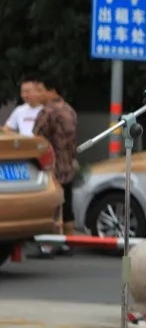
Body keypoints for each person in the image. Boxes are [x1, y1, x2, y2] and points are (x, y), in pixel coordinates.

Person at [33, 77, 79, 255]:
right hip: (68, 165)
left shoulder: (47, 112)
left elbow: (37, 137)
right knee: (67, 207)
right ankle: (69, 243)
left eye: (40, 90)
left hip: (51, 167)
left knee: (51, 207)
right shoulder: (70, 110)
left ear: (52, 91)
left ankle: (48, 246)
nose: (38, 94)